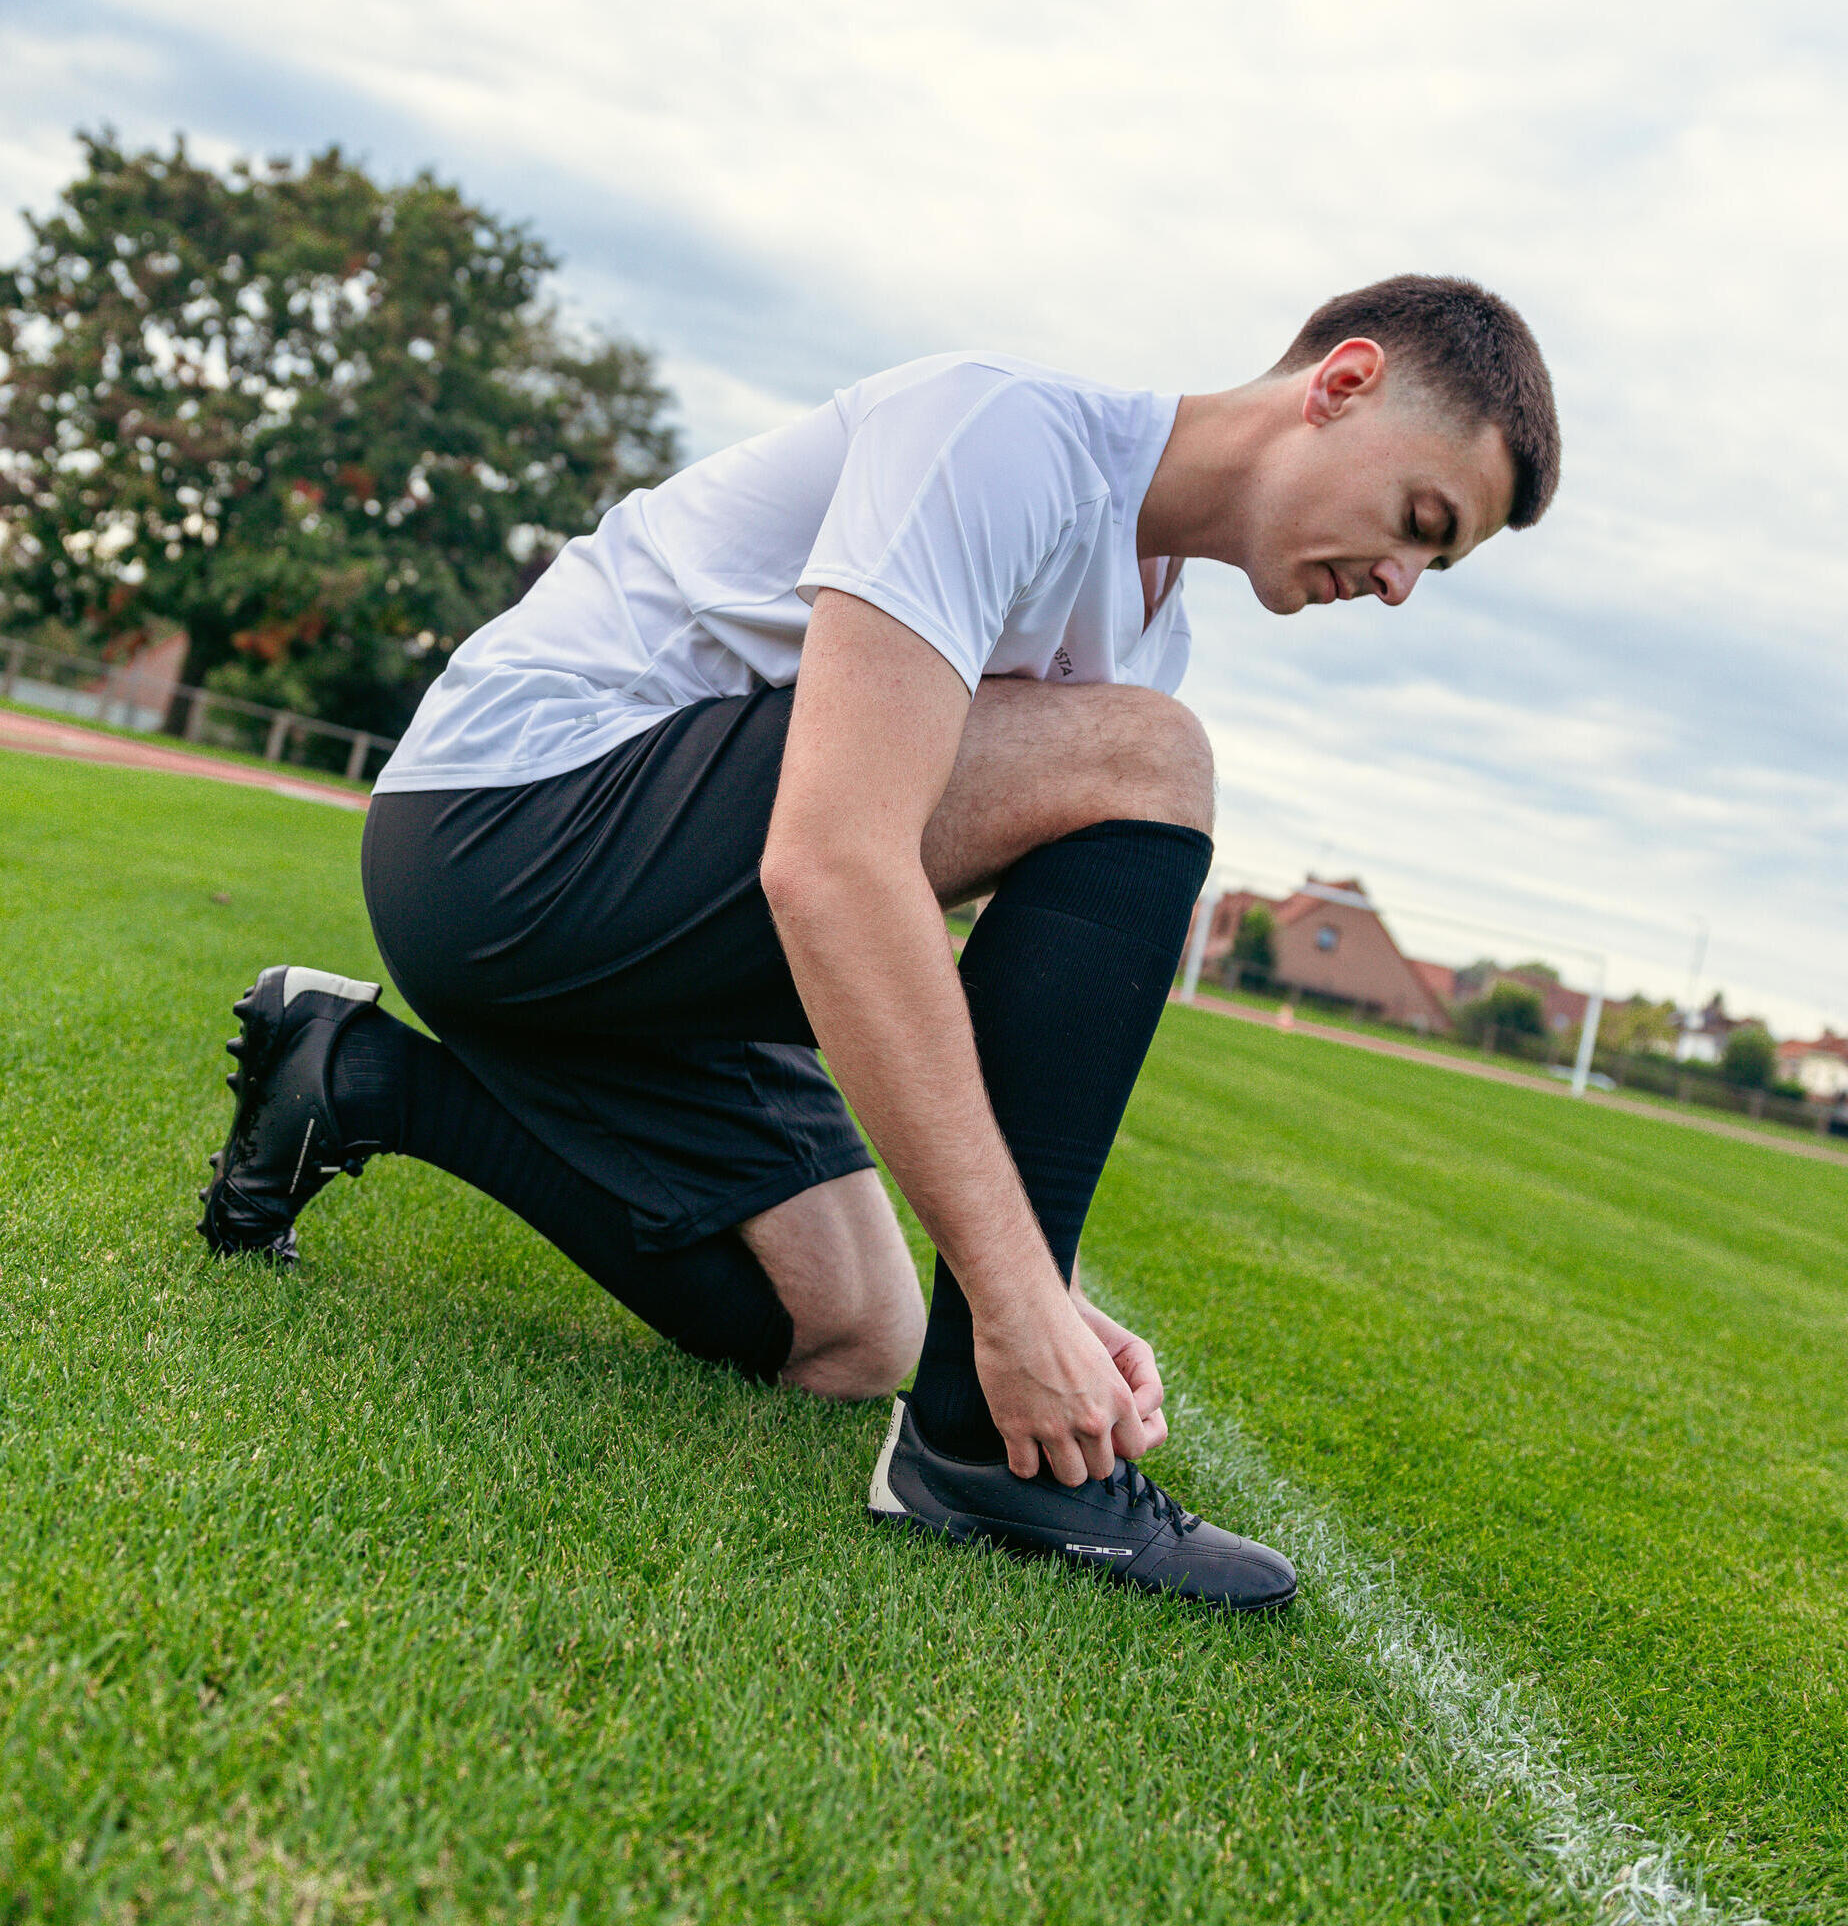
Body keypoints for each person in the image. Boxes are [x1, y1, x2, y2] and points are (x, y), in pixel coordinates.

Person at [199, 274, 1559, 1611]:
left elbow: (943, 971)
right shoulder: (1006, 438)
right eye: (1420, 522)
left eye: (1434, 566)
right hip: (500, 838)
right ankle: (976, 1454)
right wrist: (1014, 1308)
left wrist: (1044, 1283)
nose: (1397, 583)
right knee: (1151, 760)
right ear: (1342, 383)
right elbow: (832, 867)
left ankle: (355, 1075)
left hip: (659, 950)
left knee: (850, 1328)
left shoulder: (1142, 642)